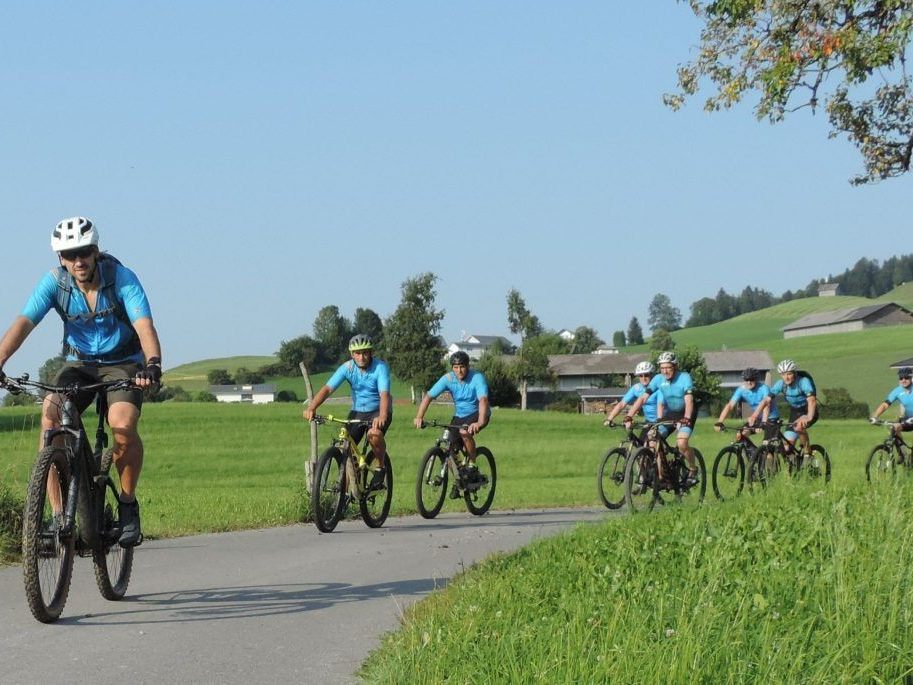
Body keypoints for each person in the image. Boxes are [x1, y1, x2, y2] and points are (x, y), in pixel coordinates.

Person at [0, 217, 162, 547]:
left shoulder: (122, 279)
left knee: (122, 425)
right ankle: (58, 517)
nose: (78, 260)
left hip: (124, 364)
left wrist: (153, 364)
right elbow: (23, 323)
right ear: (60, 258)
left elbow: (144, 325)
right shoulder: (54, 283)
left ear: (96, 251)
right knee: (51, 416)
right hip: (80, 364)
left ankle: (127, 505)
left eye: (84, 252)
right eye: (69, 254)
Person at [303, 334, 392, 486]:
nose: (361, 357)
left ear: (371, 352)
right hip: (358, 411)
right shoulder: (347, 368)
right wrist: (311, 408)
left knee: (374, 434)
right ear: (352, 354)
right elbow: (328, 389)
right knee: (344, 447)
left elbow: (384, 394)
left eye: (365, 353)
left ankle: (381, 468)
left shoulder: (380, 367)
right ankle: (343, 493)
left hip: (379, 410)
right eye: (357, 353)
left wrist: (382, 415)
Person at [413, 351, 490, 495]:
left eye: (462, 367)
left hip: (479, 413)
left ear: (468, 366)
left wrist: (479, 422)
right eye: (455, 367)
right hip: (459, 416)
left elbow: (483, 400)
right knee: (448, 446)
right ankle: (460, 478)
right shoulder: (448, 378)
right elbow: (428, 396)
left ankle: (472, 464)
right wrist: (419, 417)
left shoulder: (477, 378)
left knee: (464, 431)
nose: (459, 371)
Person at [624, 351, 698, 483]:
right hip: (671, 413)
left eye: (668, 367)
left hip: (687, 412)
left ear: (675, 366)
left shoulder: (684, 377)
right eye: (662, 368)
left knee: (682, 443)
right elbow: (643, 398)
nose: (665, 371)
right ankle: (661, 474)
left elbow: (689, 400)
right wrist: (629, 415)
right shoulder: (658, 379)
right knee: (652, 438)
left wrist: (686, 418)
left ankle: (693, 469)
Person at [752, 359, 817, 457]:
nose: (786, 377)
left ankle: (808, 454)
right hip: (795, 412)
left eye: (789, 374)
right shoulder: (781, 384)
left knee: (799, 427)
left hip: (809, 410)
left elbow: (812, 400)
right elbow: (766, 400)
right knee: (787, 446)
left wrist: (808, 417)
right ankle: (794, 462)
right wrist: (755, 415)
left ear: (794, 373)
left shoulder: (803, 382)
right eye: (783, 374)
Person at [715, 367, 780, 441]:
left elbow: (767, 406)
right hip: (757, 418)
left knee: (767, 443)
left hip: (771, 417)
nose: (749, 382)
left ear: (756, 379)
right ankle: (751, 449)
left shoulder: (764, 388)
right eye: (746, 380)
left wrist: (763, 423)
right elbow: (730, 405)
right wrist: (720, 421)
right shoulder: (741, 389)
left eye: (751, 379)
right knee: (741, 435)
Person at [604, 360, 664, 430]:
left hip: (662, 422)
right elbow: (622, 404)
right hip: (648, 422)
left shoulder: (659, 388)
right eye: (640, 376)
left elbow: (661, 405)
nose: (643, 378)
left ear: (652, 375)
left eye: (646, 375)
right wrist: (609, 419)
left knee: (654, 437)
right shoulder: (636, 388)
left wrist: (659, 422)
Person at [869, 367, 913, 455]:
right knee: (894, 427)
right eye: (901, 378)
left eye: (906, 377)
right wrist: (875, 416)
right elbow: (885, 404)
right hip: (908, 418)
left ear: (911, 378)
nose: (903, 380)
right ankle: (902, 453)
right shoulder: (897, 391)